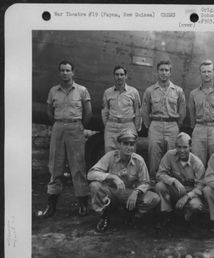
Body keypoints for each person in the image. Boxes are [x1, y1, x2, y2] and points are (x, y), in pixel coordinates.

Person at [40, 60, 92, 218]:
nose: (65, 73)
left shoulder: (82, 90)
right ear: (59, 72)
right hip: (59, 128)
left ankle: (83, 204)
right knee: (55, 166)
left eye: (68, 70)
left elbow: (88, 112)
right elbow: (49, 111)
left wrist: (80, 126)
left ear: (73, 72)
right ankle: (51, 205)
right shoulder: (53, 91)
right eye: (62, 70)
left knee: (78, 166)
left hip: (75, 128)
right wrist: (59, 124)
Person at [87, 129, 160, 232]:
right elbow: (91, 174)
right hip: (112, 191)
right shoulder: (110, 156)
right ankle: (104, 215)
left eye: (131, 144)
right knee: (95, 186)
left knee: (154, 198)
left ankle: (131, 213)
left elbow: (146, 182)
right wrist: (112, 177)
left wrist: (136, 192)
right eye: (125, 144)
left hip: (129, 193)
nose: (128, 147)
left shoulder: (138, 160)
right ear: (119, 145)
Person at [141, 60, 186, 180]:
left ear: (170, 73)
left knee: (172, 156)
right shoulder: (150, 90)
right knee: (154, 155)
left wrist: (177, 124)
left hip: (172, 125)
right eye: (161, 70)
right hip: (155, 125)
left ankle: (171, 182)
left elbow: (182, 111)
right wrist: (149, 125)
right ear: (157, 72)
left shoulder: (178, 91)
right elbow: (145, 110)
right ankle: (153, 181)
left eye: (166, 70)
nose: (164, 73)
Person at [155, 132, 206, 226]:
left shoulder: (197, 163)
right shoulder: (169, 155)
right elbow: (159, 174)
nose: (181, 150)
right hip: (176, 190)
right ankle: (167, 214)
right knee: (160, 186)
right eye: (179, 147)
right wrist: (173, 180)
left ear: (190, 147)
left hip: (190, 194)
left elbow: (200, 187)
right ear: (175, 147)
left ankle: (187, 218)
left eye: (185, 147)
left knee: (195, 206)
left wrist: (186, 197)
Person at [189, 60, 214, 165]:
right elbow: (192, 114)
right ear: (200, 73)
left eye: (209, 71)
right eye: (204, 72)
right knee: (197, 161)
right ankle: (199, 181)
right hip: (199, 128)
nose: (206, 74)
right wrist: (196, 127)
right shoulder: (193, 94)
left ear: (213, 72)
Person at [101, 65, 141, 153]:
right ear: (114, 76)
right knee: (110, 154)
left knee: (128, 153)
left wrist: (135, 128)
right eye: (117, 74)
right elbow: (105, 111)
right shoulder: (107, 92)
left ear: (126, 76)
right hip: (112, 126)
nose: (119, 77)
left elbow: (137, 112)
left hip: (127, 125)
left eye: (122, 74)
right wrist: (108, 124)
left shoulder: (133, 92)